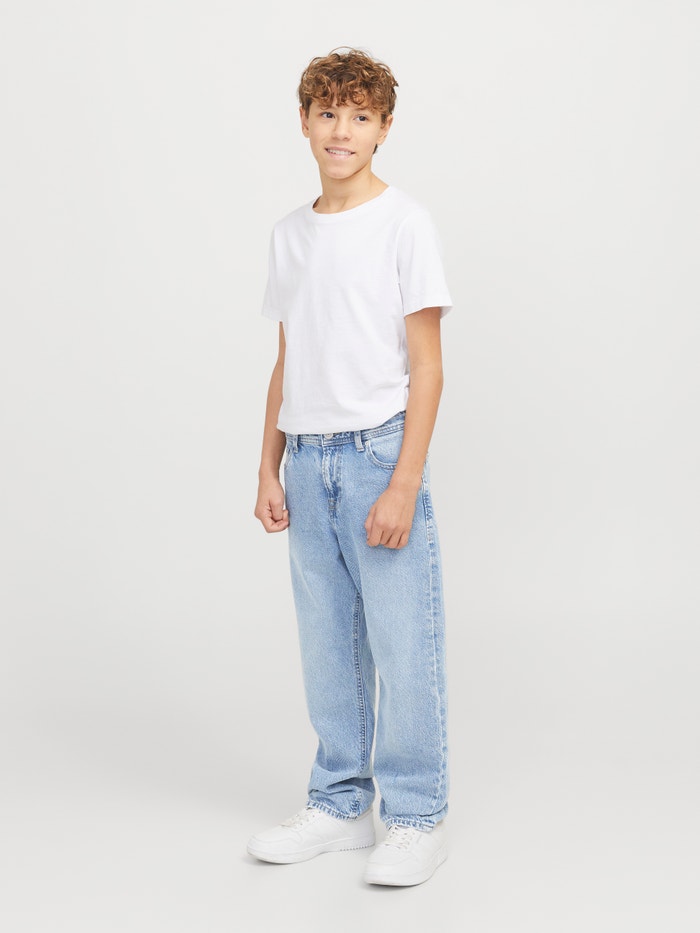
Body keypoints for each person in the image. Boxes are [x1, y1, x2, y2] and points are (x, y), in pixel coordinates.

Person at [247, 47, 452, 887]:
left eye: (360, 116)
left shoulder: (404, 223)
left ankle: (417, 815)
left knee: (403, 642)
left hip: (376, 452)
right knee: (328, 645)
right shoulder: (290, 235)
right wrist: (269, 465)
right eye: (328, 113)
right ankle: (337, 803)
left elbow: (428, 365)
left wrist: (403, 480)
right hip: (307, 458)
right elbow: (287, 356)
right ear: (304, 121)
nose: (342, 130)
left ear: (384, 128)